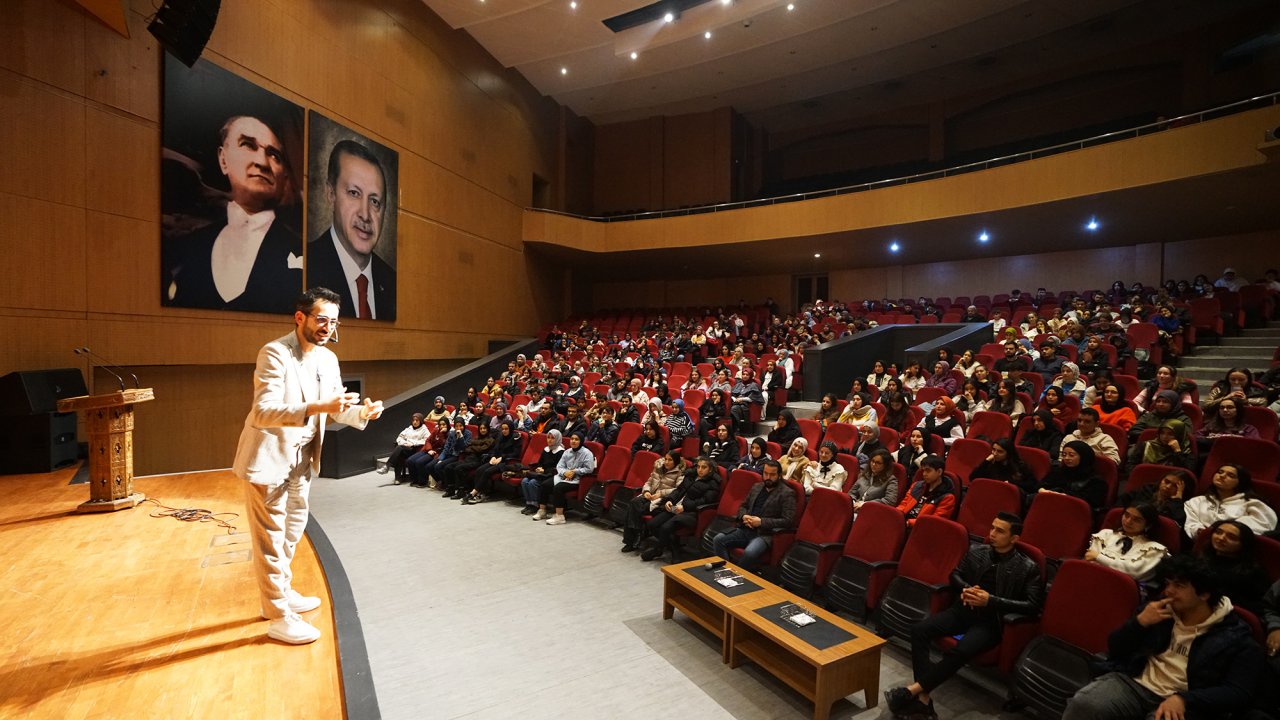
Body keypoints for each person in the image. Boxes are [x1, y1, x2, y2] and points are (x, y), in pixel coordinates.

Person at [233, 287, 384, 644]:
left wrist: (362, 412)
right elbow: (263, 411)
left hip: (302, 459)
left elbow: (335, 406)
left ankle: (282, 592)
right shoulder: (275, 353)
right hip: (269, 458)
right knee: (269, 538)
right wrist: (318, 406)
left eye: (332, 322)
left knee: (291, 532)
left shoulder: (328, 360)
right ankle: (277, 614)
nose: (327, 328)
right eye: (321, 319)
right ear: (300, 317)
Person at [1061, 555, 1265, 720]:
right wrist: (1139, 623)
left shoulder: (1236, 636)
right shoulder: (1159, 610)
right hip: (1136, 682)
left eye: (1179, 585)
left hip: (1186, 700)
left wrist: (1185, 699)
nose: (1168, 590)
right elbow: (1115, 647)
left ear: (1204, 595)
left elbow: (1238, 692)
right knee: (1085, 704)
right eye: (1168, 583)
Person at [885, 512, 1042, 720]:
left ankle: (911, 692)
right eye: (992, 527)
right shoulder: (978, 551)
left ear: (1014, 539)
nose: (992, 533)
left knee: (961, 650)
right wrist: (967, 588)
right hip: (963, 610)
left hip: (990, 622)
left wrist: (991, 600)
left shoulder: (1027, 567)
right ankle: (922, 698)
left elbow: (1033, 605)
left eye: (1000, 531)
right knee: (920, 630)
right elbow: (955, 574)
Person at [162, 115, 302, 313]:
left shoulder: (302, 251)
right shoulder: (189, 247)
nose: (262, 162)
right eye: (247, 145)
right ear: (223, 160)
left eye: (274, 155)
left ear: (284, 177)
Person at [306, 140, 395, 320]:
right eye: (354, 193)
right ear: (331, 194)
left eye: (375, 201)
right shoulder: (306, 267)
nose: (365, 215)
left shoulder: (392, 281)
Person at [711, 460, 797, 572]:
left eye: (772, 474)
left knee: (749, 553)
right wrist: (744, 516)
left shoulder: (787, 493)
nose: (768, 477)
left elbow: (788, 520)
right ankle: (724, 571)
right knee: (718, 539)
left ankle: (736, 576)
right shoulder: (757, 487)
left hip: (764, 534)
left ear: (779, 475)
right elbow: (743, 506)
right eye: (765, 473)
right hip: (746, 529)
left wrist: (761, 522)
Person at [640, 456, 722, 561]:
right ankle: (674, 547)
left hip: (691, 513)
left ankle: (658, 550)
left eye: (704, 467)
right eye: (698, 467)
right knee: (652, 524)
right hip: (675, 508)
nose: (700, 470)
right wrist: (670, 500)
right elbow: (678, 490)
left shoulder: (713, 483)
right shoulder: (691, 476)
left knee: (665, 527)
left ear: (710, 469)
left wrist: (684, 507)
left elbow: (705, 501)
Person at [1197, 519, 1272, 616]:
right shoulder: (1203, 557)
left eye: (1231, 537)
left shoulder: (1252, 573)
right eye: (1218, 532)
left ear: (1243, 545)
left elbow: (1257, 608)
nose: (1221, 538)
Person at [1183, 463, 1278, 539]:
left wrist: (1220, 533)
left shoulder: (1253, 504)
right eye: (1220, 472)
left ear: (1240, 482)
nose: (1222, 476)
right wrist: (1201, 532)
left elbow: (1260, 527)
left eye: (1231, 475)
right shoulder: (1196, 501)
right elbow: (1191, 523)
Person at [1086, 503, 1169, 584]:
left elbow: (1135, 573)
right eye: (1126, 515)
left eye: (1137, 520)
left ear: (1148, 525)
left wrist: (1099, 557)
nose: (1128, 521)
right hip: (1093, 580)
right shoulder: (1105, 534)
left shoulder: (1154, 549)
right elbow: (1091, 562)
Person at [620, 450, 686, 552]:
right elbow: (649, 481)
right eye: (666, 459)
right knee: (633, 502)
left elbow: (678, 490)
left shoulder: (680, 472)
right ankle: (637, 534)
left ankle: (632, 540)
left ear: (676, 462)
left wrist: (661, 493)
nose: (666, 462)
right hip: (650, 495)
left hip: (662, 500)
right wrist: (646, 491)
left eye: (670, 460)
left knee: (635, 508)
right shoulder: (658, 467)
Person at [535, 432, 596, 525]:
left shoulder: (587, 453)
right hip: (563, 476)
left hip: (577, 479)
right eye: (572, 439)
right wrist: (565, 472)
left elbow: (589, 469)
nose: (573, 441)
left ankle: (559, 516)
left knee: (558, 488)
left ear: (581, 441)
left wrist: (575, 471)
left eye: (576, 439)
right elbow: (559, 466)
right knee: (545, 484)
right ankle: (542, 510)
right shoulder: (567, 452)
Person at [1039, 440, 1108, 513]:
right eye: (1064, 455)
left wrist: (1063, 496)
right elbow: (1042, 484)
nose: (1066, 458)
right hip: (1048, 506)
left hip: (1074, 513)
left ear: (1083, 457)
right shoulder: (1058, 471)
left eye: (1071, 455)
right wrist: (1042, 490)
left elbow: (1091, 503)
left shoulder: (1096, 481)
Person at [895, 455, 957, 526]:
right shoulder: (916, 485)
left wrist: (908, 523)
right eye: (923, 470)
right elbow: (903, 505)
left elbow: (934, 522)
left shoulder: (947, 497)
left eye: (928, 471)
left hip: (920, 529)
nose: (924, 474)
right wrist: (896, 516)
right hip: (903, 522)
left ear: (939, 472)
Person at [1118, 469, 1190, 529]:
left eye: (1175, 485)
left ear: (1182, 490)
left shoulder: (1181, 505)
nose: (1168, 486)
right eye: (1166, 481)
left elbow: (1177, 524)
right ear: (1161, 480)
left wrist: (1176, 501)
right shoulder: (1145, 491)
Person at [971, 438, 1038, 497]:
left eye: (1000, 451)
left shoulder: (1020, 466)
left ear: (1008, 453)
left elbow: (1032, 485)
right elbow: (973, 478)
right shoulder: (991, 463)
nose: (995, 453)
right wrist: (986, 461)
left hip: (1009, 497)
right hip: (990, 494)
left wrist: (1011, 483)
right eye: (993, 450)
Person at [519, 429, 563, 515]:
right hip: (542, 473)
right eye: (548, 437)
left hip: (551, 475)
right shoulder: (546, 449)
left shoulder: (560, 451)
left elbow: (558, 468)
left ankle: (536, 505)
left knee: (533, 482)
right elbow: (540, 462)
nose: (549, 440)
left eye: (552, 438)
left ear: (557, 439)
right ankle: (529, 503)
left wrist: (544, 470)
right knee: (524, 481)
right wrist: (539, 467)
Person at [384, 412, 428, 483]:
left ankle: (387, 465)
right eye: (413, 420)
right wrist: (403, 443)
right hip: (405, 448)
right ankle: (397, 479)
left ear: (421, 421)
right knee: (399, 455)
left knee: (399, 448)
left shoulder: (424, 429)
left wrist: (413, 443)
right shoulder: (409, 428)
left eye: (417, 420)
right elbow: (400, 437)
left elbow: (426, 440)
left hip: (415, 450)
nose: (415, 422)